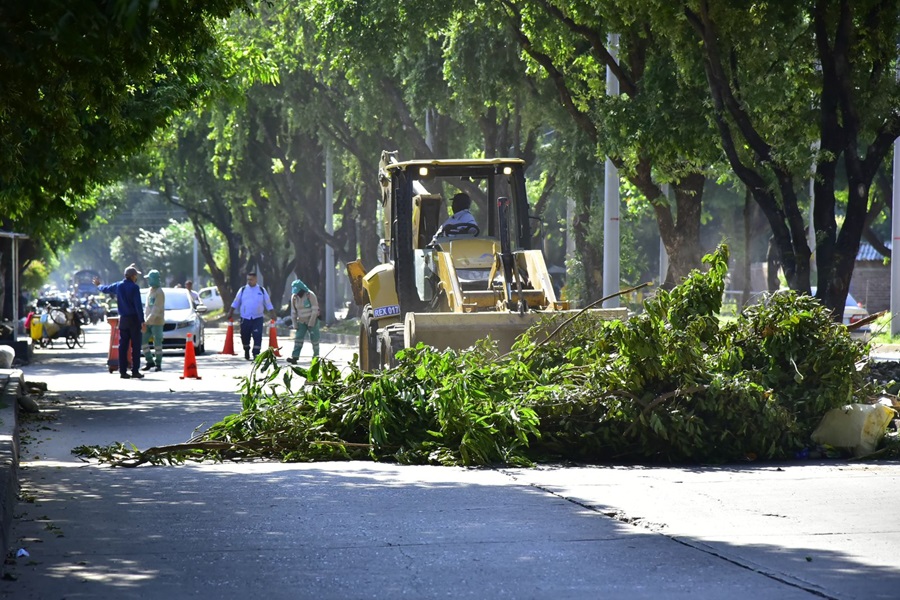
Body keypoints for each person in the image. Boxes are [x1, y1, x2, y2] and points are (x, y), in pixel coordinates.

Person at [94, 265, 146, 379]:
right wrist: (142, 321)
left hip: (123, 320)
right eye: (136, 275)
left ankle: (123, 372)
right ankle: (135, 371)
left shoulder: (118, 286)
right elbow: (138, 306)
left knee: (123, 346)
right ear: (132, 276)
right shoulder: (134, 288)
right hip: (134, 320)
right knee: (136, 346)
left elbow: (105, 289)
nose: (136, 277)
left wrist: (98, 285)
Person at [225, 272, 275, 360]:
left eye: (251, 279)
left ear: (256, 279)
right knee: (245, 335)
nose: (249, 281)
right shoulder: (243, 290)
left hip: (257, 318)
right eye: (248, 279)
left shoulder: (261, 290)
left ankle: (256, 353)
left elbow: (268, 303)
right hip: (245, 317)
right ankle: (246, 350)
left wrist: (272, 313)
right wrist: (230, 312)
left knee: (257, 335)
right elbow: (236, 302)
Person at [287, 279, 320, 364]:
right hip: (301, 322)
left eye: (298, 291)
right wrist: (295, 324)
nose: (297, 294)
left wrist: (311, 323)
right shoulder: (294, 297)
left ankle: (316, 357)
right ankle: (294, 357)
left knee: (315, 340)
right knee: (298, 339)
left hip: (312, 321)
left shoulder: (310, 295)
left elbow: (315, 309)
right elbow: (293, 312)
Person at [142, 270, 165, 372]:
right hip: (148, 322)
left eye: (149, 279)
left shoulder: (159, 292)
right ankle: (149, 361)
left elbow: (156, 309)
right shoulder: (150, 291)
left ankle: (158, 363)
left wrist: (147, 321)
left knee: (157, 343)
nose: (148, 281)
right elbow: (147, 307)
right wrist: (145, 320)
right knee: (143, 341)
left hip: (156, 322)